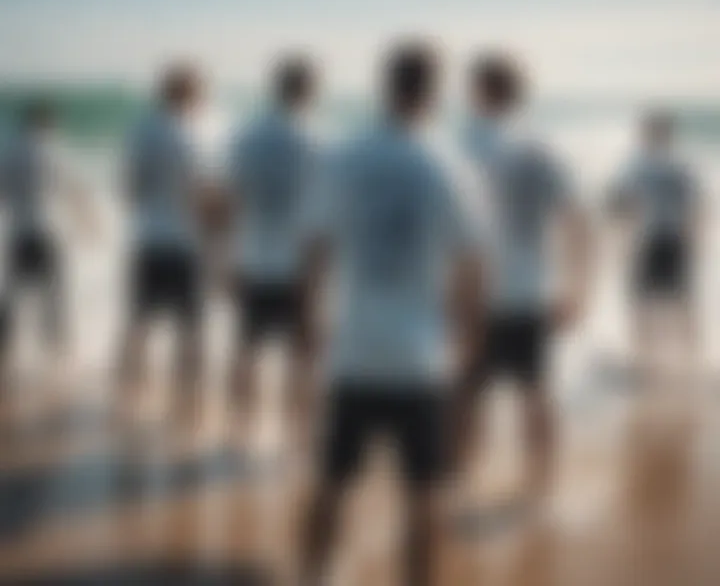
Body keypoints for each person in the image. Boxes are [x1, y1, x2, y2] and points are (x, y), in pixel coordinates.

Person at [299, 42, 483, 586]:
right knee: (425, 490)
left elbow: (314, 250)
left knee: (332, 479)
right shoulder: (449, 165)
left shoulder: (343, 156)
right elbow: (472, 266)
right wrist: (467, 344)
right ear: (435, 91)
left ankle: (314, 576)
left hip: (354, 349)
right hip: (419, 356)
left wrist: (310, 327)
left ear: (384, 84)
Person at [454, 52, 591, 507]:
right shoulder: (542, 146)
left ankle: (462, 482)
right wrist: (577, 290)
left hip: (472, 293)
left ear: (476, 89)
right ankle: (541, 486)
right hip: (531, 288)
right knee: (537, 390)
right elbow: (578, 221)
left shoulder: (460, 142)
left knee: (467, 391)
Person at [222, 54, 323, 442]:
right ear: (309, 90)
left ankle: (239, 429)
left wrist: (225, 256)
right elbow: (322, 216)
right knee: (303, 358)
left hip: (251, 257)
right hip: (296, 264)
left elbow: (228, 201)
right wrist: (321, 274)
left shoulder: (245, 137)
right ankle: (296, 434)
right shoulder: (315, 139)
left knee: (245, 349)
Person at [116, 62, 209, 415]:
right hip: (185, 241)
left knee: (138, 321)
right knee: (190, 327)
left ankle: (128, 393)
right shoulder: (193, 135)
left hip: (148, 236)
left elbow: (128, 187)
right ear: (189, 92)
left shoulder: (140, 131)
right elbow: (202, 193)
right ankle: (186, 399)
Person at [607, 109, 704, 378]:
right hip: (676, 238)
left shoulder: (635, 166)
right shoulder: (683, 166)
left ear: (646, 133)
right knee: (683, 299)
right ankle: (692, 359)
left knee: (641, 301)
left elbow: (618, 205)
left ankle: (644, 362)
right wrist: (696, 241)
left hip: (647, 239)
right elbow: (696, 207)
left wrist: (619, 242)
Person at [0, 99, 93, 371]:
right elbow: (75, 191)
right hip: (51, 232)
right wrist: (89, 223)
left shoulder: (10, 152)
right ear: (49, 124)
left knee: (14, 293)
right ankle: (58, 355)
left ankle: (5, 351)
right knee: (54, 295)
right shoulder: (56, 151)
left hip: (20, 231)